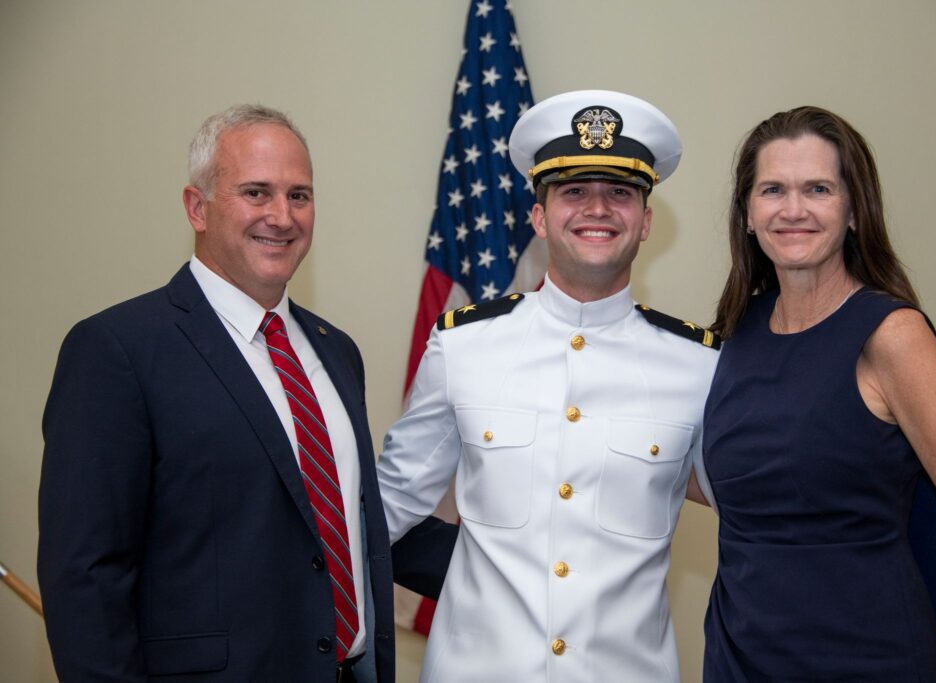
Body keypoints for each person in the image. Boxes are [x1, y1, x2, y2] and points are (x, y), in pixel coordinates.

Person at [37, 105, 397, 682]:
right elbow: (86, 577)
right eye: (256, 192)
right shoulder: (117, 350)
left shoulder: (337, 351)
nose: (281, 216)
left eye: (299, 195)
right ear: (196, 208)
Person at [377, 90, 721, 683]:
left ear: (646, 221)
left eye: (620, 192)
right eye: (573, 192)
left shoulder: (699, 365)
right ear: (538, 216)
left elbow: (760, 506)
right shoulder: (464, 346)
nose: (598, 209)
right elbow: (388, 503)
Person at [699, 105, 936, 681]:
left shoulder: (891, 334)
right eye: (772, 189)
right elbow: (750, 483)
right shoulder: (739, 328)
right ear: (747, 213)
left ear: (853, 211)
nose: (793, 209)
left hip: (867, 662)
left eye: (818, 189)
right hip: (739, 659)